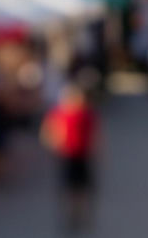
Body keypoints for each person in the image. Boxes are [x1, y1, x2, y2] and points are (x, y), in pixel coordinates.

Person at [41, 82, 98, 230]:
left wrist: (97, 151)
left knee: (82, 188)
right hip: (66, 155)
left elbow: (96, 135)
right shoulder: (59, 112)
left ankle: (80, 215)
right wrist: (54, 144)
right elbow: (49, 131)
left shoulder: (86, 114)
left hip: (82, 155)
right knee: (68, 187)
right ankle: (69, 216)